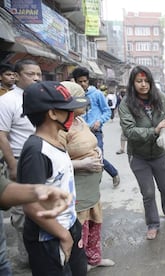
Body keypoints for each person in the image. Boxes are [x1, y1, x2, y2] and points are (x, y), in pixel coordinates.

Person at [18, 81, 89, 276]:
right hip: (48, 238)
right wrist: (63, 235)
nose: (72, 115)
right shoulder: (36, 150)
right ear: (52, 113)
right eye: (68, 109)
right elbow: (31, 205)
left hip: (68, 226)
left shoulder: (56, 141)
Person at [119, 65, 165, 240]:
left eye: (146, 81)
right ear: (133, 83)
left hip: (160, 153)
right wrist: (154, 131)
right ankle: (152, 223)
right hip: (139, 156)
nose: (143, 85)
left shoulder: (161, 98)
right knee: (148, 193)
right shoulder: (126, 104)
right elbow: (129, 131)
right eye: (139, 81)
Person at [59, 81, 114, 271]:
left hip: (92, 188)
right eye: (81, 99)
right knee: (79, 228)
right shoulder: (60, 128)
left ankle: (94, 258)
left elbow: (89, 142)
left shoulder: (80, 121)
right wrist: (81, 164)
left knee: (94, 222)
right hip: (77, 189)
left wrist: (96, 150)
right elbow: (55, 163)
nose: (86, 103)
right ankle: (81, 265)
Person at [0, 146, 73, 276]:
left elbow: (2, 188)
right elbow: (31, 208)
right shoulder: (35, 150)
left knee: (2, 262)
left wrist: (36, 192)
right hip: (43, 239)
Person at [0, 59, 41, 266]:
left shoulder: (40, 97)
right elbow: (2, 135)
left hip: (42, 159)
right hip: (20, 160)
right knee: (22, 213)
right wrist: (13, 166)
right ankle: (27, 257)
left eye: (38, 74)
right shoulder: (8, 101)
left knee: (44, 206)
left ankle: (45, 251)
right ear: (16, 76)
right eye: (30, 74)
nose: (35, 78)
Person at [71, 67, 120, 188]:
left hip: (96, 131)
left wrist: (99, 121)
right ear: (75, 82)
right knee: (84, 157)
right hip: (79, 133)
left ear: (88, 81)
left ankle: (111, 175)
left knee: (98, 156)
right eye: (79, 81)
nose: (82, 84)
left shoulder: (97, 94)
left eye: (84, 81)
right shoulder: (73, 96)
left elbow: (107, 111)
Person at [116, 90, 127, 154]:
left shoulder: (131, 99)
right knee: (123, 134)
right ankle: (122, 148)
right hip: (125, 119)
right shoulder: (121, 100)